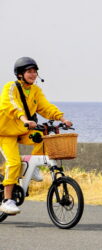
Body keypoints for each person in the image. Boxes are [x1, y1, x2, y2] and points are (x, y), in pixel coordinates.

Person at [0, 57, 72, 215]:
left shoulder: (35, 91)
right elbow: (11, 105)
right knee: (13, 163)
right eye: (29, 71)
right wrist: (25, 119)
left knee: (42, 135)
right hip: (5, 132)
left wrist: (62, 118)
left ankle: (33, 169)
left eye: (35, 71)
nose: (33, 74)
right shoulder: (10, 87)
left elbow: (45, 107)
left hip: (22, 129)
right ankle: (7, 200)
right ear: (20, 74)